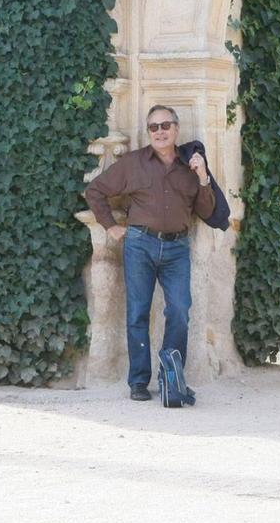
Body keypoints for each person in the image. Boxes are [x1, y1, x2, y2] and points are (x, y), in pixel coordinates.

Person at [84, 104, 216, 401]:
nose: (159, 132)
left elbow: (206, 211)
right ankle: (139, 382)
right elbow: (95, 191)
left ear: (176, 129)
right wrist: (111, 227)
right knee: (137, 313)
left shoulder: (190, 167)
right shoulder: (133, 163)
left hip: (177, 248)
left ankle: (171, 376)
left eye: (165, 126)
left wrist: (203, 176)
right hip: (139, 245)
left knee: (180, 310)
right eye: (153, 127)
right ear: (148, 132)